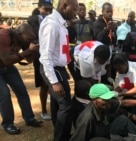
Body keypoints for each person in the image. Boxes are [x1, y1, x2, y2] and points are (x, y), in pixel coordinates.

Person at [38, 0, 78, 140]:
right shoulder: (52, 24)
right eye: (74, 9)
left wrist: (63, 68)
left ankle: (61, 134)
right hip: (51, 69)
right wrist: (54, 81)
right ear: (65, 6)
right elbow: (46, 55)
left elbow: (58, 51)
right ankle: (62, 138)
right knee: (66, 106)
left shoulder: (60, 23)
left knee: (57, 104)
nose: (75, 13)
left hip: (58, 68)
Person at [0, 23, 42, 135]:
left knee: (21, 91)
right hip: (5, 63)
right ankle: (8, 124)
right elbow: (7, 60)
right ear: (19, 34)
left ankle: (29, 119)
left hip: (7, 67)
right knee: (4, 95)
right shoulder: (3, 36)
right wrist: (28, 51)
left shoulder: (22, 39)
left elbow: (28, 59)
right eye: (28, 39)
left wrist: (33, 51)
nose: (29, 41)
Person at [70, 83, 136, 141]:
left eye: (108, 99)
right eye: (104, 99)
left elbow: (122, 105)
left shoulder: (107, 103)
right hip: (98, 139)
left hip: (106, 132)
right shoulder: (87, 119)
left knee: (123, 119)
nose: (108, 102)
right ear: (94, 100)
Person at [27, 0, 53, 120]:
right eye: (45, 9)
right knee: (44, 84)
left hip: (52, 55)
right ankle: (43, 110)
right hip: (40, 57)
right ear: (39, 7)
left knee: (52, 82)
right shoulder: (33, 20)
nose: (48, 11)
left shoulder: (53, 19)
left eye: (50, 9)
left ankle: (52, 104)